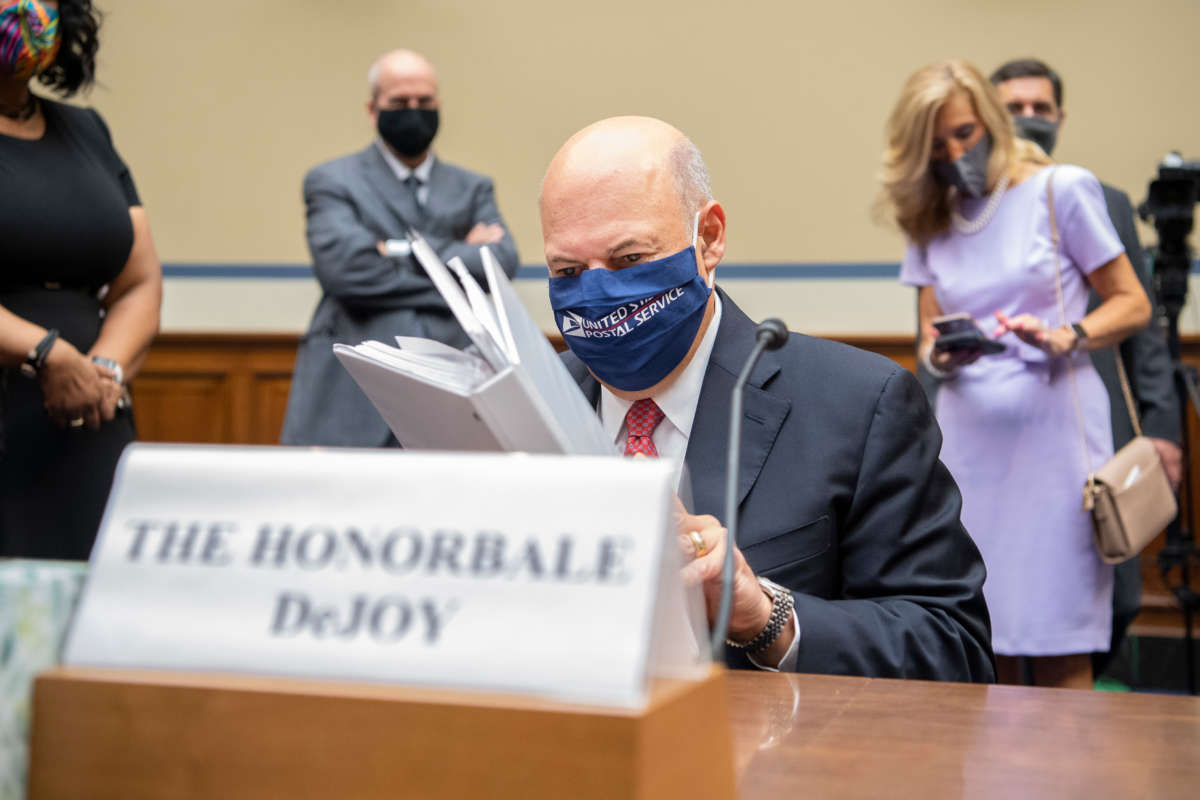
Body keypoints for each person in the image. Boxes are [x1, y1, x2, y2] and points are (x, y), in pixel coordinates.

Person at [540, 115, 994, 681]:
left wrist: (765, 619)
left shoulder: (859, 405)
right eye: (568, 269)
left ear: (708, 239)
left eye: (630, 259)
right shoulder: (529, 407)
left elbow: (953, 648)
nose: (599, 291)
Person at [882, 60, 1151, 689]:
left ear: (993, 121)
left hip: (1053, 433)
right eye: (937, 145)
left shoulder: (1062, 189)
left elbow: (1132, 303)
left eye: (965, 134)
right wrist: (942, 355)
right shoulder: (931, 214)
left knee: (1059, 634)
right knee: (980, 635)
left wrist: (1068, 334)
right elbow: (927, 335)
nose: (954, 153)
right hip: (969, 437)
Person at [991, 58, 1182, 677]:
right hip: (998, 436)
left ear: (1060, 119)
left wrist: (1164, 432)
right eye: (1014, 108)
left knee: (1117, 593)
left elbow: (1142, 327)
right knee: (999, 597)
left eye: (1041, 109)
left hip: (1096, 428)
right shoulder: (965, 207)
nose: (1029, 119)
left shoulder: (1102, 200)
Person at [281, 49, 519, 447]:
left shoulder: (473, 186)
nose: (414, 111)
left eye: (424, 102)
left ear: (439, 105)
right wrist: (458, 263)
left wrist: (392, 251)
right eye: (400, 102)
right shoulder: (332, 180)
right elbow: (347, 272)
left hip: (454, 385)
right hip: (351, 392)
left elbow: (502, 262)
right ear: (373, 109)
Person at [0, 0, 162, 560]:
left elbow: (138, 281)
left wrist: (106, 369)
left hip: (88, 421)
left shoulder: (85, 129)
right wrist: (46, 352)